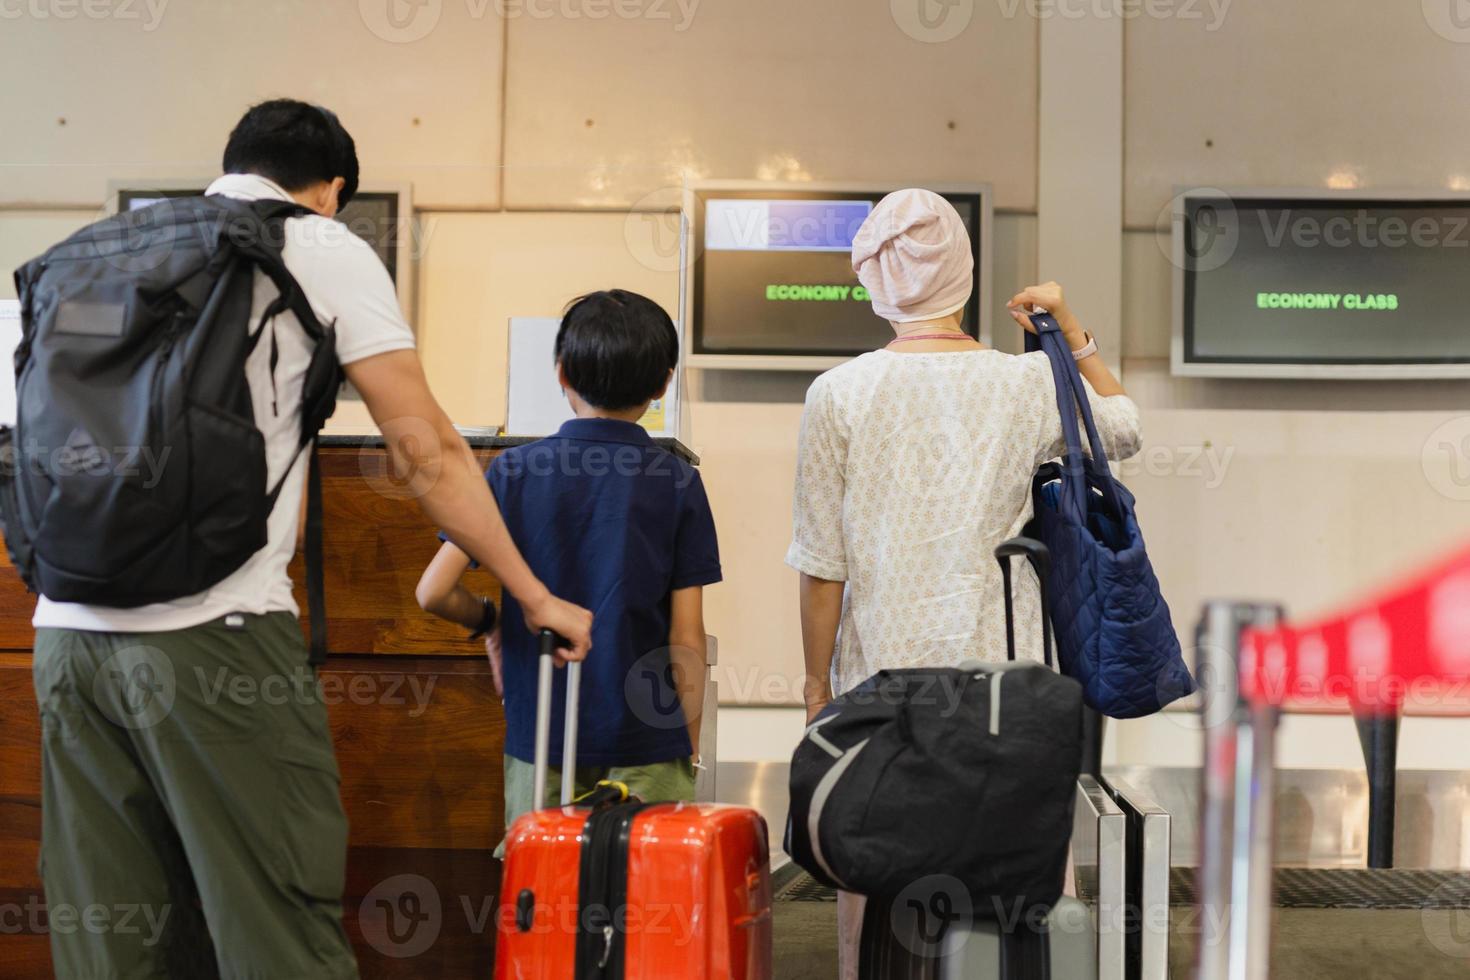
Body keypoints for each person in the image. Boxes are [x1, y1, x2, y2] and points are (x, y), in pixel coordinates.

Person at [29, 99, 592, 979]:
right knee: (275, 927)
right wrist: (529, 593)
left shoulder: (97, 253)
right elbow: (427, 450)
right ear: (330, 189)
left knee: (112, 936)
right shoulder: (319, 245)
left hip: (63, 636)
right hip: (217, 638)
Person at [785, 188, 1143, 977]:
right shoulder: (1023, 383)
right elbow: (1123, 430)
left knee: (875, 858)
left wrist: (818, 688)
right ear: (967, 274)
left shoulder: (837, 394)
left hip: (880, 678)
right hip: (1003, 674)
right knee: (1011, 864)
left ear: (871, 280)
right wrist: (1071, 332)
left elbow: (822, 562)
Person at [416, 289, 720, 846]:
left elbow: (433, 590)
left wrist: (489, 623)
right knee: (643, 905)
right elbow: (686, 637)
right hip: (646, 741)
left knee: (545, 898)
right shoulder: (676, 481)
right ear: (663, 384)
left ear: (561, 373)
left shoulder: (513, 472)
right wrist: (687, 740)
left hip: (541, 740)